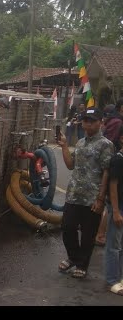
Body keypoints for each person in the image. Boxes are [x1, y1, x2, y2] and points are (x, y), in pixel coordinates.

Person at [57, 107, 114, 279]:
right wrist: (64, 146)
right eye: (85, 121)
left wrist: (100, 198)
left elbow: (106, 171)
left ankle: (82, 265)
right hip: (74, 194)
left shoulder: (106, 144)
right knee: (67, 228)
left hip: (92, 198)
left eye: (92, 121)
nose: (87, 124)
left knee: (88, 234)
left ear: (100, 123)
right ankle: (73, 257)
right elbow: (70, 165)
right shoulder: (81, 142)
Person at [95, 104, 120, 247]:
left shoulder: (112, 121)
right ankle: (100, 234)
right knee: (110, 203)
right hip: (115, 164)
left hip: (111, 163)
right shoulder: (117, 122)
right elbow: (111, 142)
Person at [105, 125, 123, 295]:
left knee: (121, 244)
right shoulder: (117, 159)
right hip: (118, 206)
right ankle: (112, 280)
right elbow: (113, 184)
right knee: (114, 245)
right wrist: (116, 211)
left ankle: (120, 278)